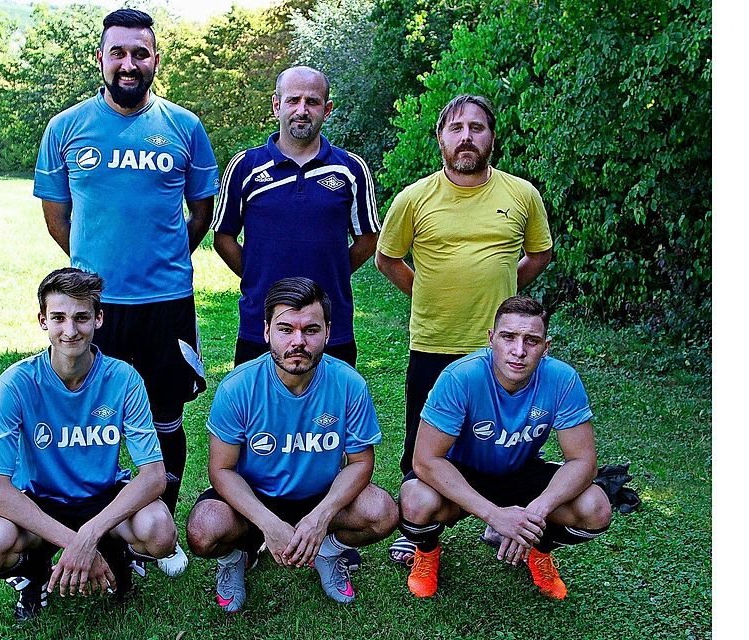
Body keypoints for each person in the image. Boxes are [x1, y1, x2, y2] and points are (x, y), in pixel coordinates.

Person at [33, 8, 220, 576]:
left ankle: (158, 528)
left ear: (155, 60)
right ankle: (102, 524)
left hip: (166, 303)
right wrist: (93, 274)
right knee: (94, 416)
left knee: (164, 415)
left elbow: (201, 212)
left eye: (140, 53)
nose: (129, 63)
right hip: (96, 308)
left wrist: (163, 259)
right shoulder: (66, 127)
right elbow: (58, 218)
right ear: (101, 58)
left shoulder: (184, 126)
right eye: (118, 52)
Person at [375, 94, 553, 563]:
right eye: (456, 128)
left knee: (504, 439)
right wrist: (426, 292)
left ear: (492, 136)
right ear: (440, 139)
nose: (466, 137)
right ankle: (417, 529)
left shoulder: (522, 194)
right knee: (423, 442)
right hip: (434, 342)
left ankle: (503, 515)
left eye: (477, 127)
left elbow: (539, 254)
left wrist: (505, 295)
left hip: (502, 348)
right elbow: (387, 259)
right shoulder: (414, 198)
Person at [0, 268, 178, 620]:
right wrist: (75, 544)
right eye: (58, 318)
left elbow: (154, 476)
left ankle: (116, 558)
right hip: (40, 501)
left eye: (81, 317)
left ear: (98, 319)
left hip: (103, 498)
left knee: (160, 531)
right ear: (42, 321)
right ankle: (34, 576)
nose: (70, 330)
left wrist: (90, 535)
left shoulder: (123, 378)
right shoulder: (16, 383)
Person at [185, 278, 398, 613]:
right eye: (286, 329)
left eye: (310, 330)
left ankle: (327, 552)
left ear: (327, 333)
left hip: (321, 496)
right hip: (254, 499)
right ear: (266, 331)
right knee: (204, 529)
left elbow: (360, 462)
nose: (298, 341)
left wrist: (320, 518)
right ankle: (236, 558)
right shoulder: (237, 387)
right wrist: (269, 524)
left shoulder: (349, 384)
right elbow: (222, 470)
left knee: (382, 512)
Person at [397, 295, 612, 600]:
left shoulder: (562, 379)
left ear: (546, 347)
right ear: (491, 339)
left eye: (531, 341)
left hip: (521, 471)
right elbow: (425, 460)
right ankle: (427, 552)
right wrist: (494, 516)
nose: (519, 351)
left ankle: (540, 550)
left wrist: (535, 513)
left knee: (596, 508)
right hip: (463, 472)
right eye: (508, 337)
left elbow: (583, 462)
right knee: (415, 499)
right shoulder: (460, 377)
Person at [211, 66, 380, 368]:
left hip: (330, 328)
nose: (302, 110)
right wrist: (256, 273)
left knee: (331, 400)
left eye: (312, 102)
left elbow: (368, 238)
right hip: (260, 325)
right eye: (293, 100)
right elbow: (223, 237)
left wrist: (333, 270)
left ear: (327, 109)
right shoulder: (245, 166)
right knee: (258, 400)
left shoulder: (351, 169)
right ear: (277, 105)